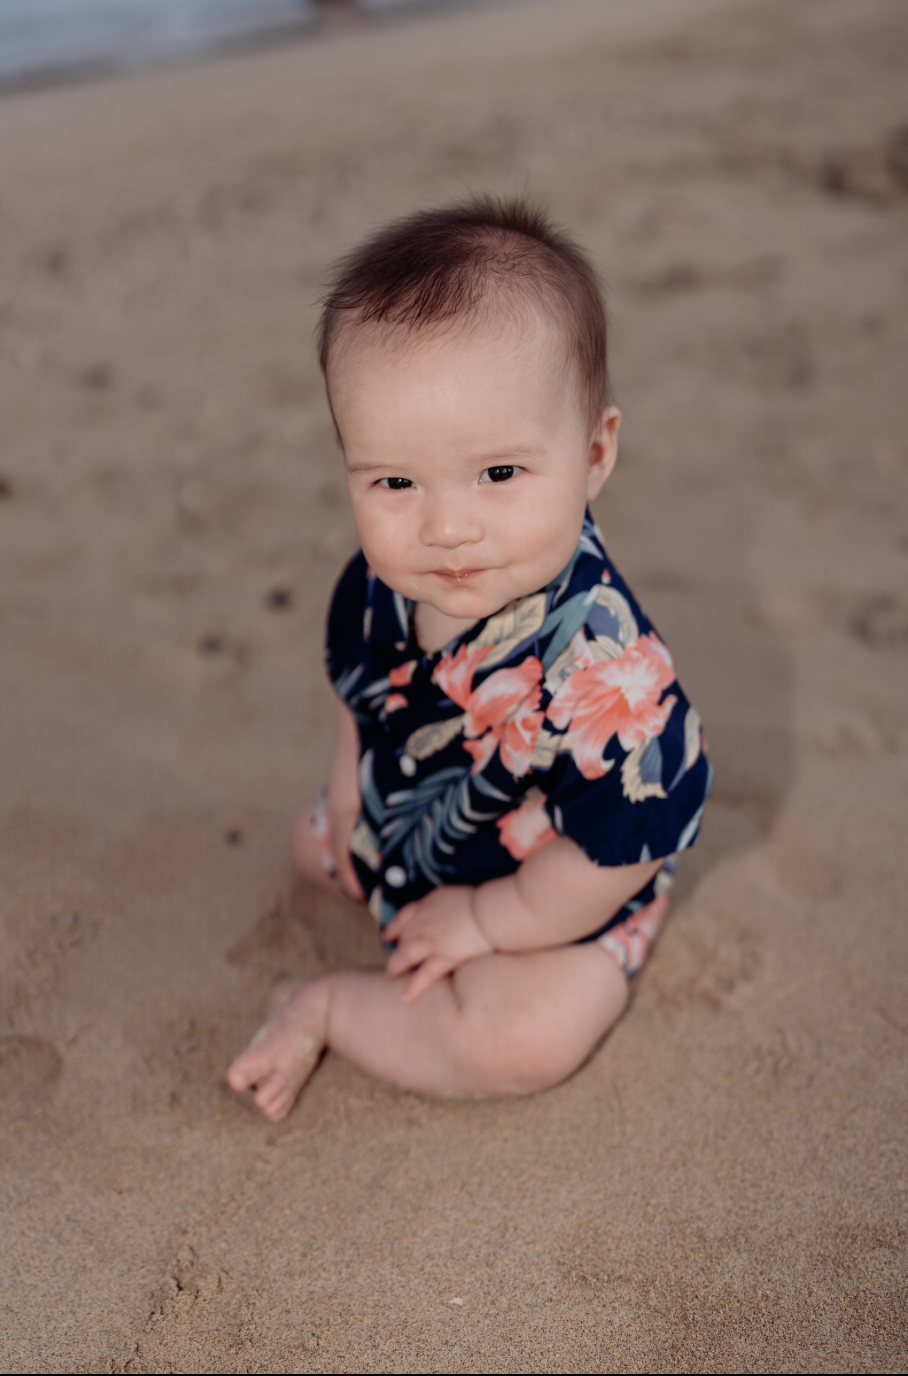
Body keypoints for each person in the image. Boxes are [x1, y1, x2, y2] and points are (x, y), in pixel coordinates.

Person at [228, 196, 711, 1121]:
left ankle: (327, 1006)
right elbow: (359, 695)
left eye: (497, 473)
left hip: (556, 889)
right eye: (395, 482)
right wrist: (344, 805)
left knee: (524, 1037)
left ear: (595, 452)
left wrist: (488, 923)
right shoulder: (381, 584)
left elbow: (613, 856)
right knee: (309, 844)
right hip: (420, 824)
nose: (445, 528)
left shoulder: (610, 677)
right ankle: (385, 885)